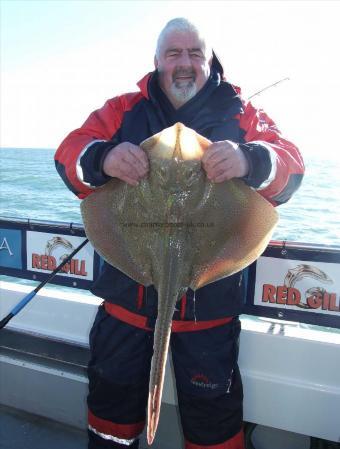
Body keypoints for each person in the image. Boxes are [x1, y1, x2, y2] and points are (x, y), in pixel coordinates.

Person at [55, 17, 304, 449]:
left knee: (214, 429)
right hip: (125, 309)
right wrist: (104, 158)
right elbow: (68, 157)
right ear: (157, 62)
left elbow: (292, 169)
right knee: (108, 425)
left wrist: (250, 161)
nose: (184, 63)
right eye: (174, 54)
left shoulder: (242, 115)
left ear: (210, 62)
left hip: (208, 314)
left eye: (195, 54)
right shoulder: (122, 111)